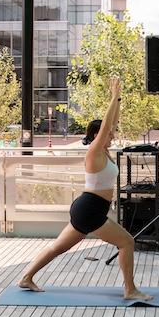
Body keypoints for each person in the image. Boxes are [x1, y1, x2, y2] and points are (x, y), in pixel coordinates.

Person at [17, 77, 151, 300]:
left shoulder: (105, 152)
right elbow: (107, 124)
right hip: (90, 210)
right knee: (127, 242)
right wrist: (111, 96)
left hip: (89, 208)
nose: (113, 135)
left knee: (58, 247)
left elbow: (112, 123)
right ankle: (130, 290)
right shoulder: (94, 153)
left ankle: (26, 277)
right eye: (109, 134)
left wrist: (118, 97)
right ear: (100, 135)